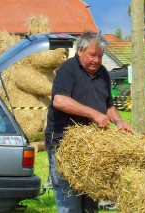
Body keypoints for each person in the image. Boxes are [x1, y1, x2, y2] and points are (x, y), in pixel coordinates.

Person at [44, 31, 132, 213]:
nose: (97, 61)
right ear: (80, 52)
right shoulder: (68, 69)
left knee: (91, 203)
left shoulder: (103, 74)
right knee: (70, 203)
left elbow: (108, 105)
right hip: (65, 146)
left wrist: (118, 121)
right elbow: (59, 100)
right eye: (93, 55)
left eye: (100, 56)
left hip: (92, 148)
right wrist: (93, 114)